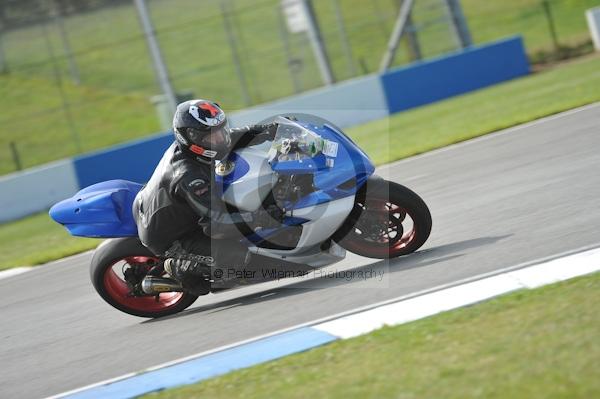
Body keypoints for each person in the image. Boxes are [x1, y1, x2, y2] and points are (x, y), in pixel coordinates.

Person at [132, 99, 282, 295]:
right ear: (192, 138)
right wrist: (261, 218)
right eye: (213, 135)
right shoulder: (188, 176)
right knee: (234, 259)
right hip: (173, 237)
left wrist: (270, 130)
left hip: (174, 209)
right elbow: (216, 224)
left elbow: (232, 138)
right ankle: (178, 267)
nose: (221, 138)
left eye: (221, 130)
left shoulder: (199, 147)